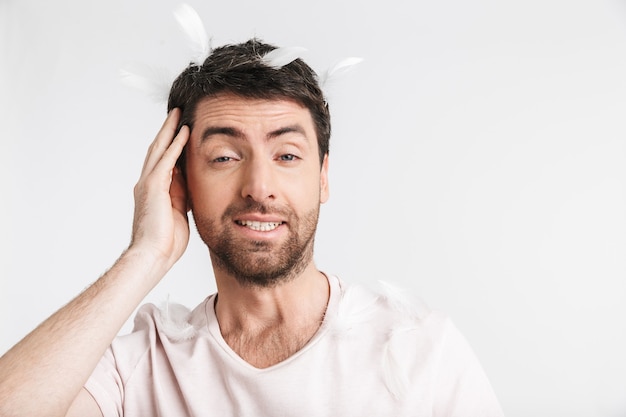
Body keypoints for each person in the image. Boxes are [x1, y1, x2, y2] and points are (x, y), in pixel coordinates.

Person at [0, 38, 504, 417]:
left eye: (287, 155)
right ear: (179, 179)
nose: (259, 187)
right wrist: (144, 256)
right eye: (224, 156)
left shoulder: (421, 349)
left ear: (323, 177)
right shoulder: (141, 364)